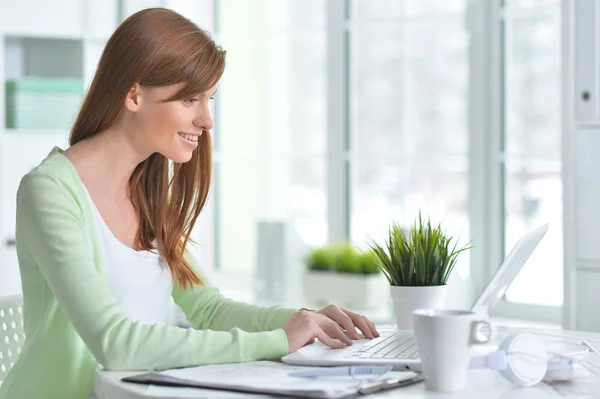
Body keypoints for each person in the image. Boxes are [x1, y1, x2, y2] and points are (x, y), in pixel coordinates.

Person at [0, 8, 379, 399]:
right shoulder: (49, 192)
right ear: (134, 95)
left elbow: (208, 310)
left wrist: (307, 322)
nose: (207, 120)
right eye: (191, 99)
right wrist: (279, 340)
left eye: (209, 99)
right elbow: (115, 342)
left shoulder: (147, 195)